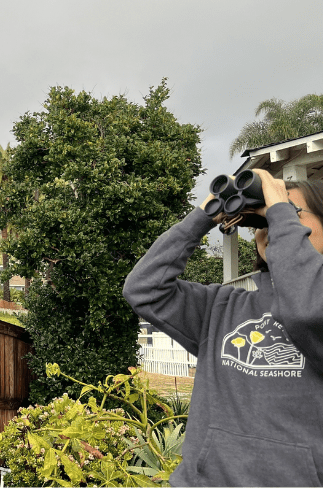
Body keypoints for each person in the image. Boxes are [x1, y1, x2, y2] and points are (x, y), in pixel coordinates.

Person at [123, 168, 323, 487]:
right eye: (263, 220)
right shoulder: (221, 306)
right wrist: (202, 218)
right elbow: (144, 288)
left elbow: (305, 311)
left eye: (290, 212)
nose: (273, 224)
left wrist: (277, 208)